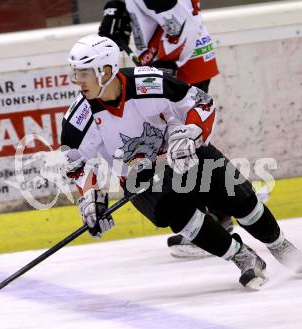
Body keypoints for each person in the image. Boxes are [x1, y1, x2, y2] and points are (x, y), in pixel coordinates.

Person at [60, 34, 302, 289]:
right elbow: (78, 166)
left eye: (83, 73)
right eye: (74, 72)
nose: (76, 81)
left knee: (239, 199)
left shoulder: (150, 82)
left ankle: (278, 243)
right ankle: (242, 256)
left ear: (105, 70)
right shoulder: (77, 120)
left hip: (182, 153)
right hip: (142, 179)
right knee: (181, 217)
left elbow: (201, 103)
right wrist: (91, 198)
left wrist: (192, 132)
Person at [98, 0, 230, 257]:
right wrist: (116, 7)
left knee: (182, 141)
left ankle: (215, 217)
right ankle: (217, 212)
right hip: (183, 59)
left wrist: (159, 63)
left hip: (184, 62)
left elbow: (183, 25)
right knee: (173, 142)